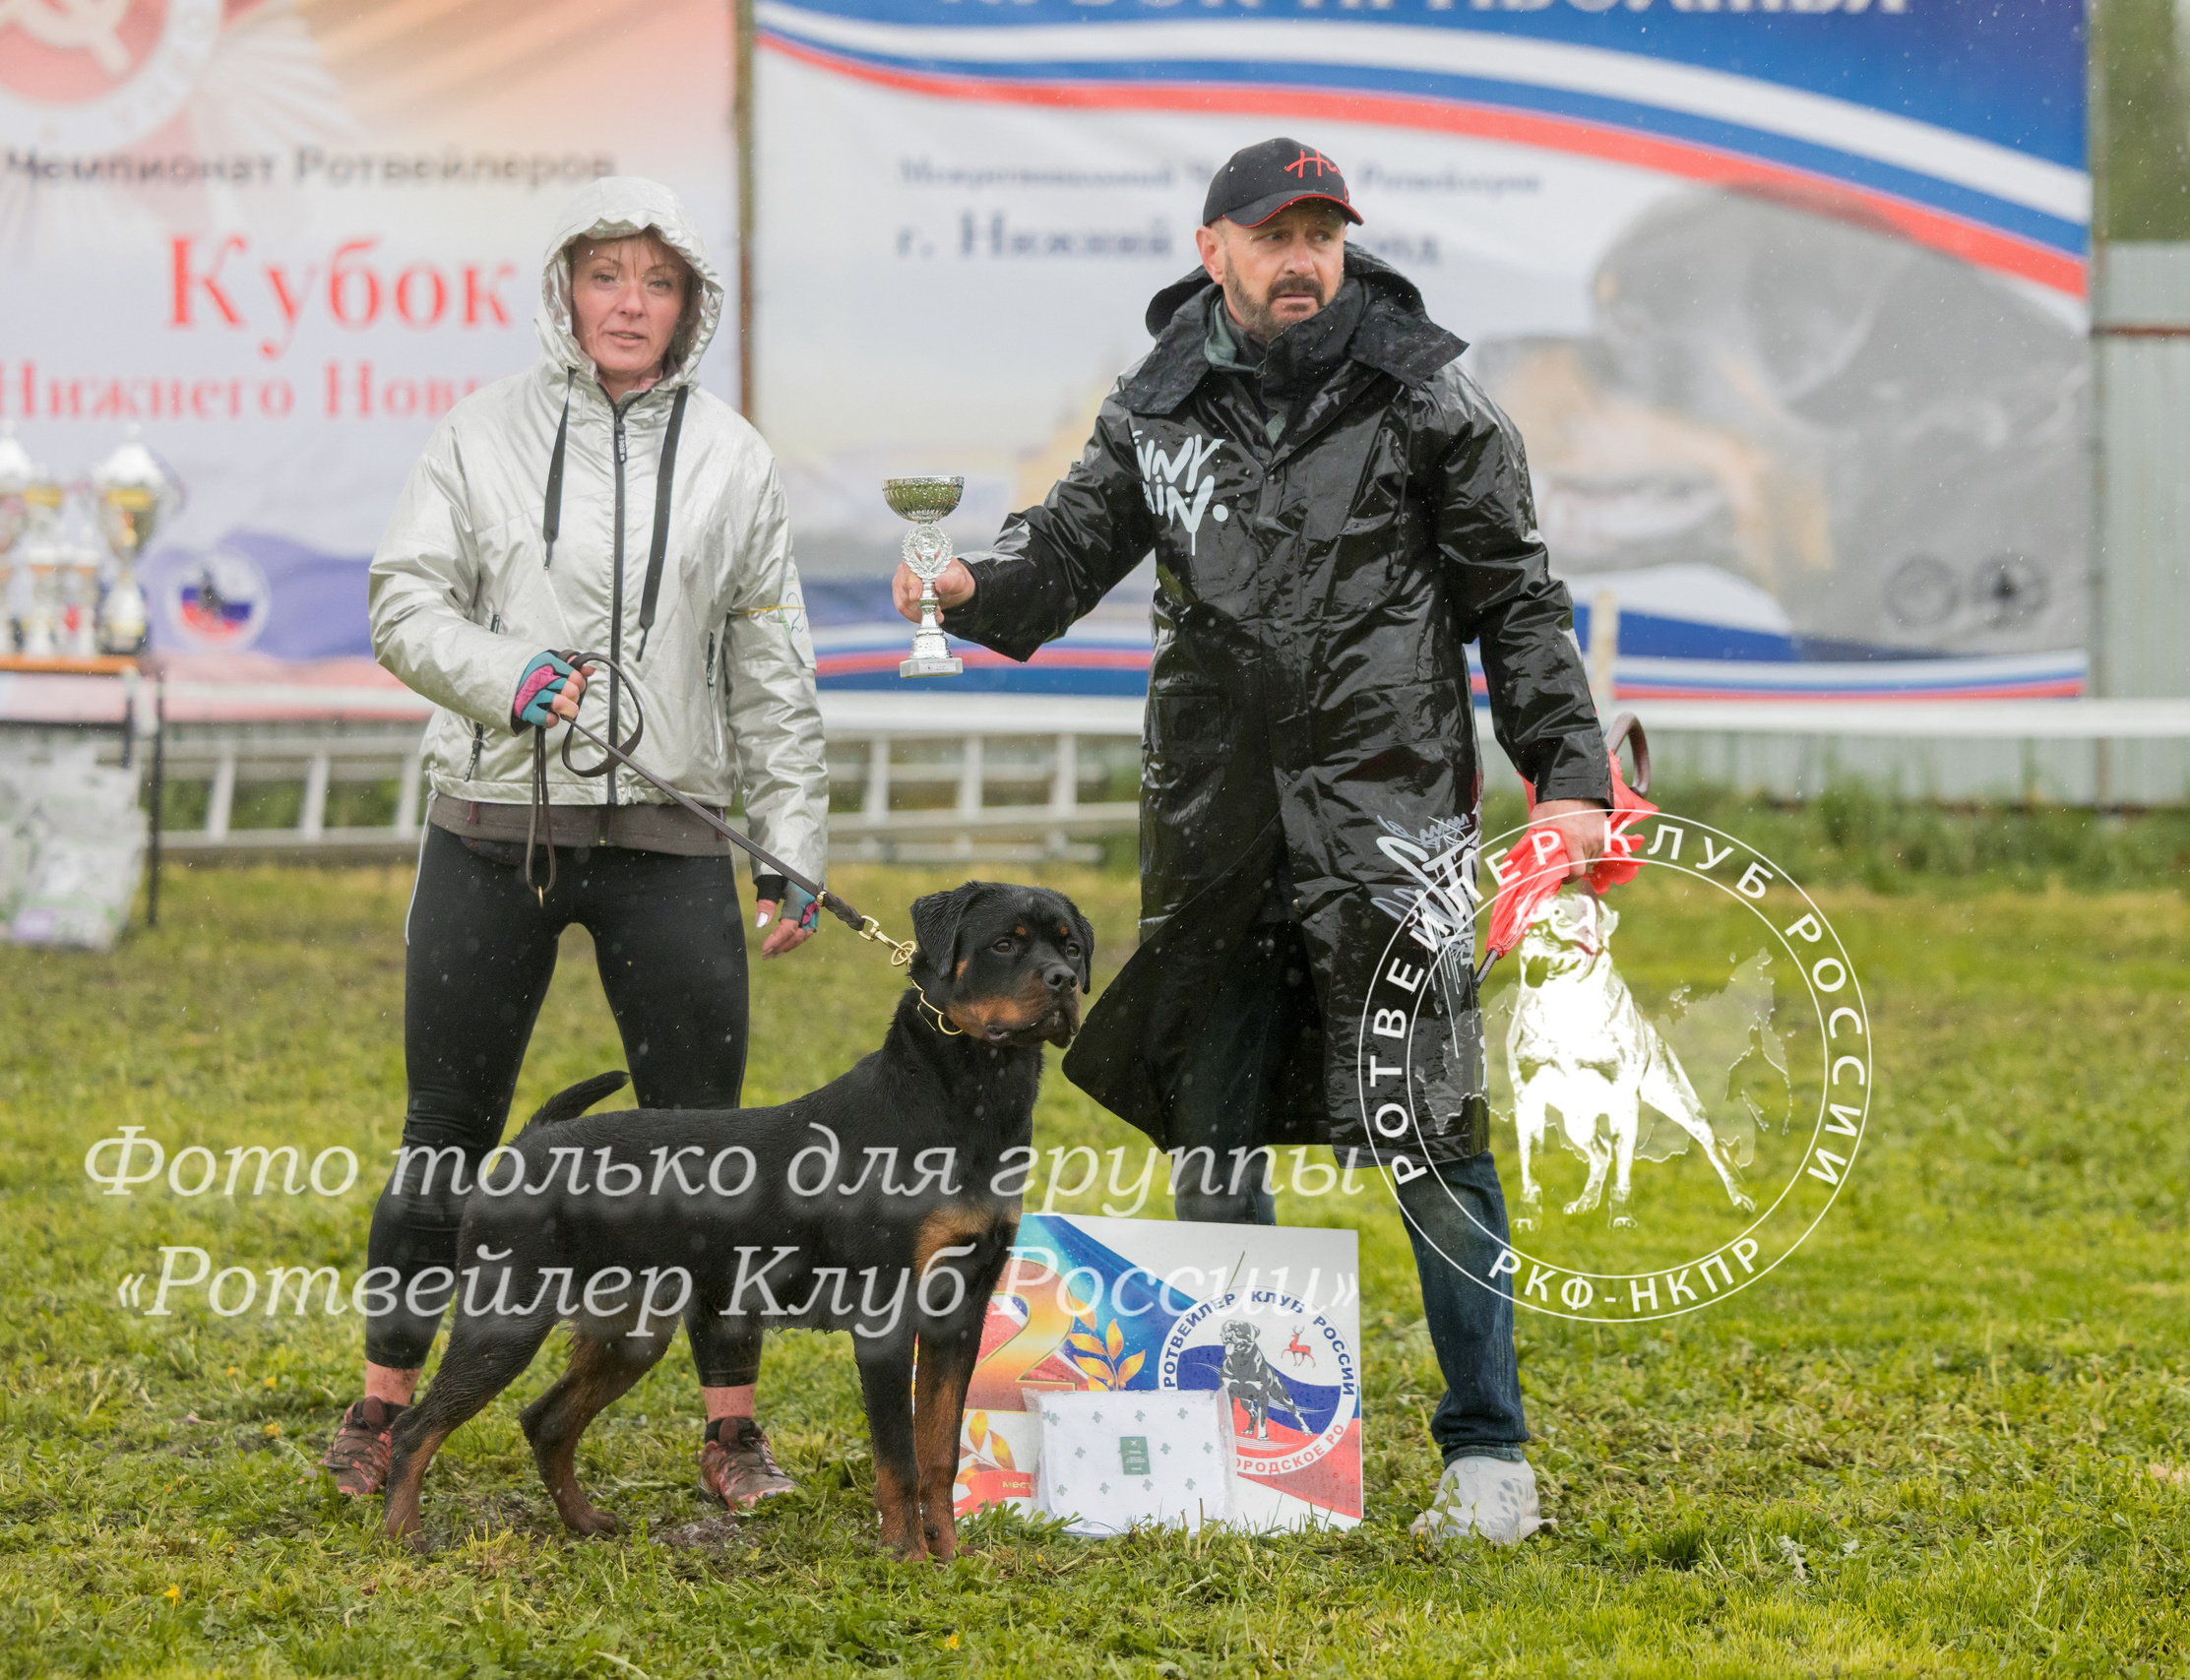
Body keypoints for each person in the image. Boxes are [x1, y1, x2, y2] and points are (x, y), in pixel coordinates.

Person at [894, 138, 1609, 1543]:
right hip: (1216, 828)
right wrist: (969, 582)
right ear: (1213, 247)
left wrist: (1566, 774)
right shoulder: (1157, 404)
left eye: (1324, 234)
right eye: (1277, 235)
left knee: (1435, 1138)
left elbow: (1517, 600)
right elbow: (1059, 563)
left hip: (1392, 829)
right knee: (1214, 1140)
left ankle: (1488, 1458)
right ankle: (1244, 1448)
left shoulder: (1426, 392)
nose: (1305, 261)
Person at [326, 176, 829, 1516]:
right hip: (491, 831)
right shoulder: (477, 432)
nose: (629, 303)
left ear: (688, 307)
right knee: (447, 1133)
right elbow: (401, 603)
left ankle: (732, 1435)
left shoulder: (734, 457)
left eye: (656, 282)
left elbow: (769, 668)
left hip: (671, 842)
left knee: (708, 1154)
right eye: (606, 275)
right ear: (566, 290)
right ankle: (380, 1410)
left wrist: (789, 846)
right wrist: (508, 675)